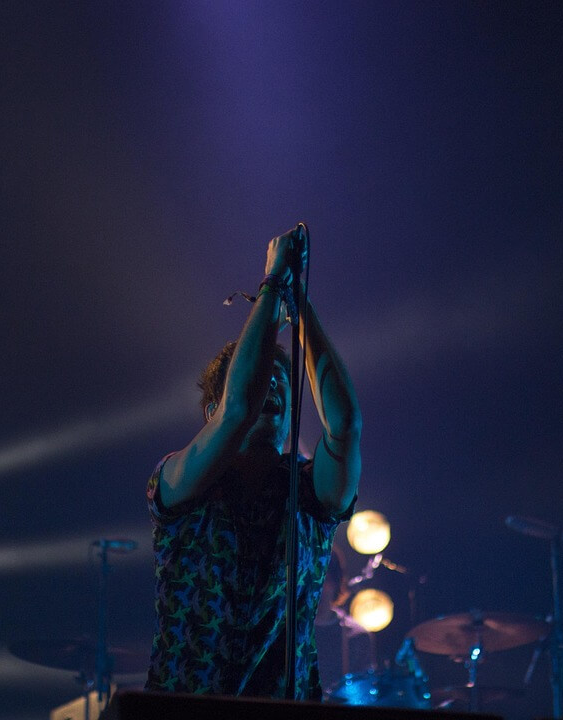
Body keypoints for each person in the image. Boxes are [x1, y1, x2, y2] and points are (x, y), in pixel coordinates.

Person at [144, 224, 362, 699]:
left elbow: (344, 425)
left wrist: (300, 304)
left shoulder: (308, 494)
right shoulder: (177, 479)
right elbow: (238, 410)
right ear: (210, 411)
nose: (275, 385)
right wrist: (272, 285)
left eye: (283, 379)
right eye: (265, 377)